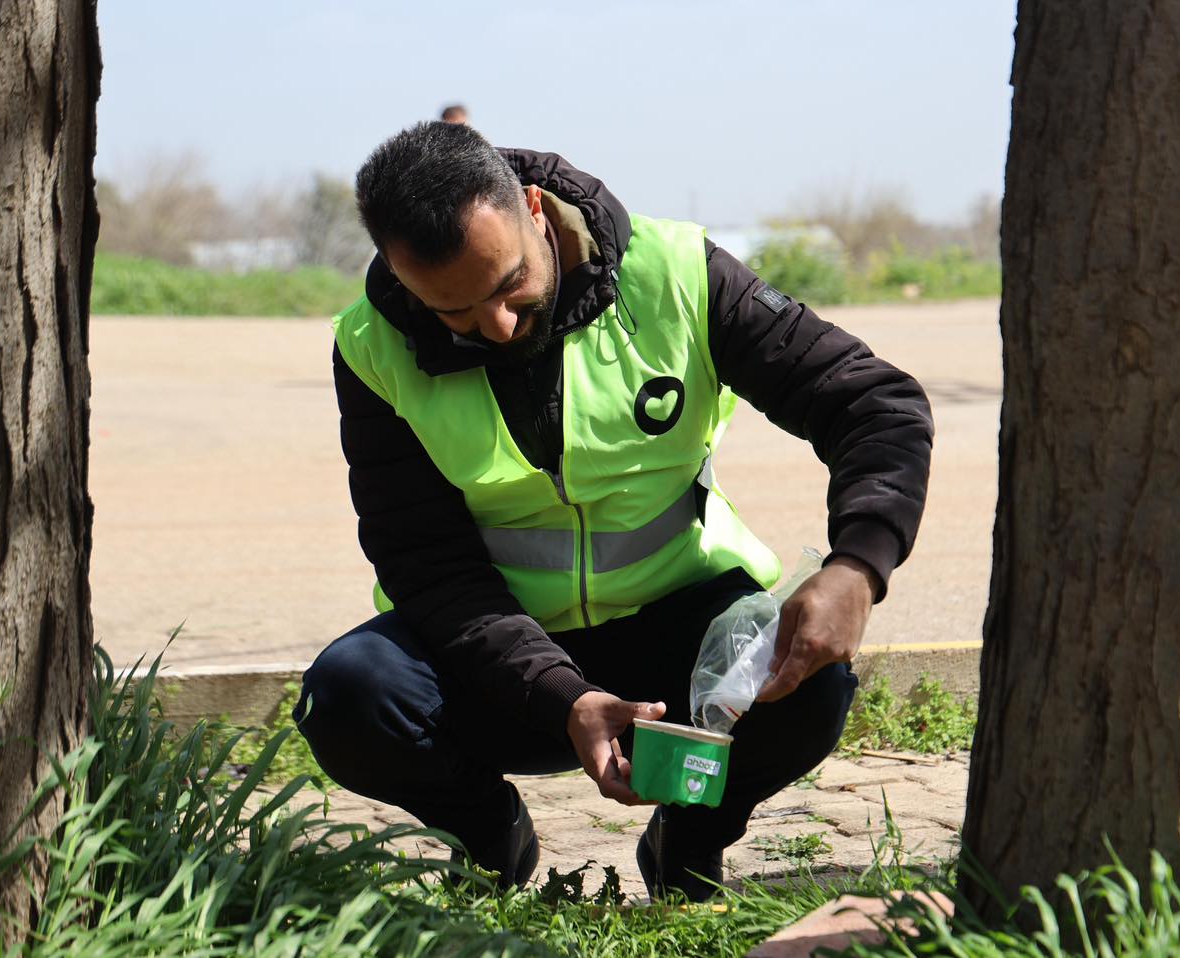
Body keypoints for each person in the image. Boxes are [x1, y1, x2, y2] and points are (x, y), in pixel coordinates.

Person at [293, 121, 933, 900]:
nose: (495, 327)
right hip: (493, 659)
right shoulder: (371, 344)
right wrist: (565, 697)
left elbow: (874, 403)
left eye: (507, 286)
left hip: (679, 631)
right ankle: (490, 836)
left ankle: (687, 846)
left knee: (813, 688)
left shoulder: (675, 274)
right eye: (453, 313)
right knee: (351, 694)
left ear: (534, 210)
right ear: (402, 277)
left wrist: (858, 565)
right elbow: (426, 563)